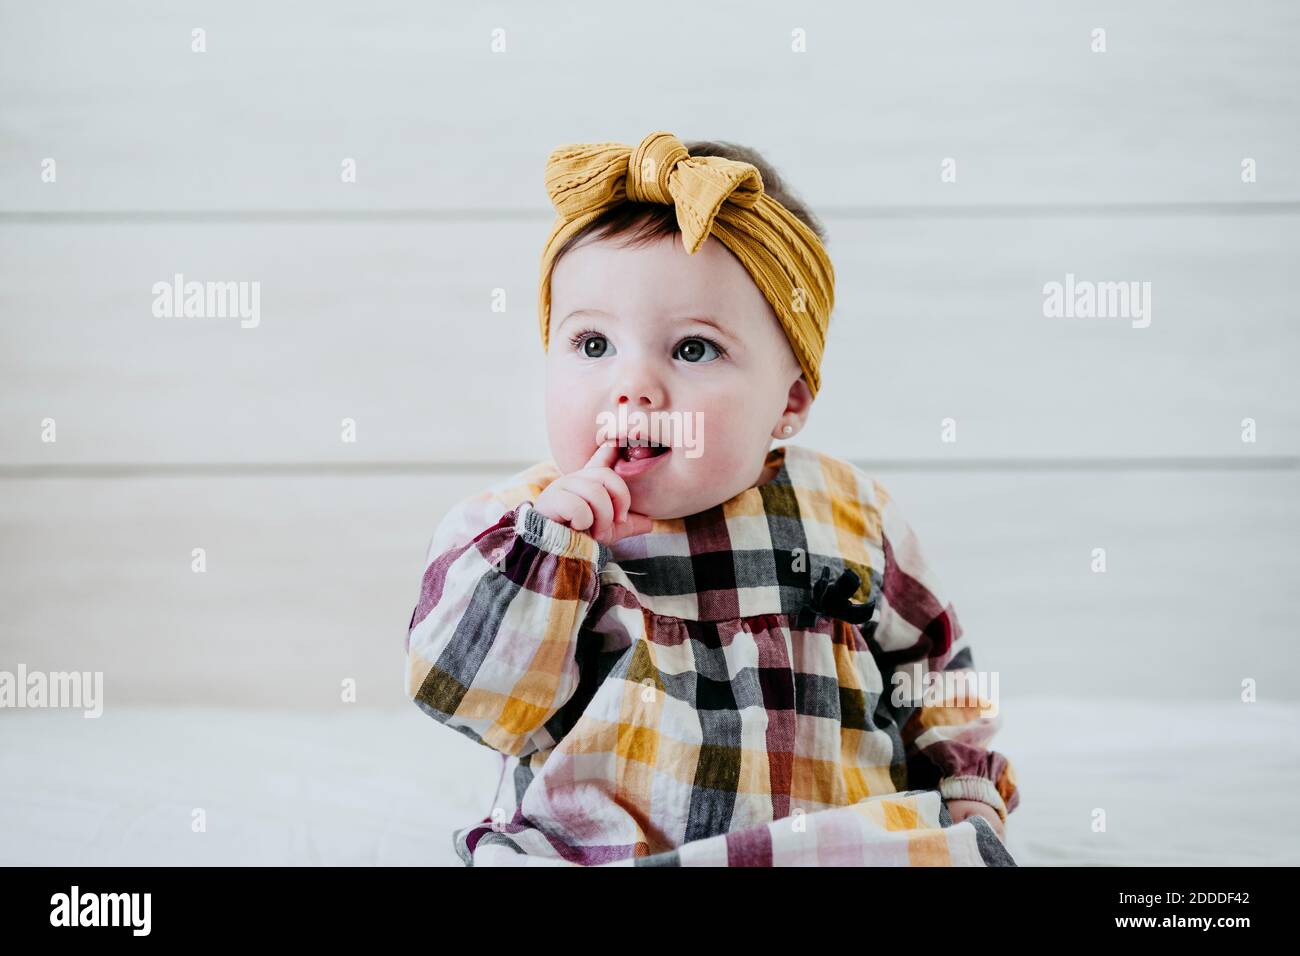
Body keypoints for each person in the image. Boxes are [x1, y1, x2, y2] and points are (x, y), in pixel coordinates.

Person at [404, 131, 1019, 866]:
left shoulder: (850, 511)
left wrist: (967, 787)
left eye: (693, 349)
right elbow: (466, 700)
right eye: (592, 344)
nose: (630, 386)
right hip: (602, 852)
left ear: (788, 400)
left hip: (835, 845)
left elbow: (935, 666)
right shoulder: (517, 534)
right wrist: (549, 555)